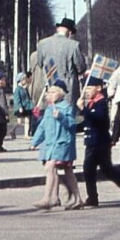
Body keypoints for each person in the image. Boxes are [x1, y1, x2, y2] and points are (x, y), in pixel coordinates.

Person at [79, 76, 120, 207]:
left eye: (90, 87)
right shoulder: (92, 103)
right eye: (86, 88)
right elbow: (87, 122)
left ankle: (94, 196)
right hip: (92, 142)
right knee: (97, 169)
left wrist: (83, 109)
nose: (86, 90)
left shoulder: (101, 103)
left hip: (100, 143)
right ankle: (94, 196)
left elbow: (97, 118)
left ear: (99, 88)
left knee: (98, 169)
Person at [31, 80, 82, 210]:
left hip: (63, 143)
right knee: (68, 172)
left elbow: (71, 124)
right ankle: (76, 199)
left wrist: (60, 117)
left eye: (53, 92)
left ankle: (48, 198)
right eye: (49, 92)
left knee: (50, 167)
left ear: (60, 94)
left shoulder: (66, 108)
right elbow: (42, 127)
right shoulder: (48, 109)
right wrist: (35, 142)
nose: (49, 95)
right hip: (50, 144)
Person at [35, 17, 87, 106]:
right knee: (67, 115)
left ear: (58, 29)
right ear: (70, 32)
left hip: (49, 86)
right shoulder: (74, 45)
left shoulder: (42, 43)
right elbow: (81, 68)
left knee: (50, 114)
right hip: (68, 89)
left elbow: (40, 63)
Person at [11, 72, 34, 140]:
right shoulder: (18, 89)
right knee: (19, 122)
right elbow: (17, 99)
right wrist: (19, 107)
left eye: (25, 79)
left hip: (27, 107)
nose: (25, 80)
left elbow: (28, 98)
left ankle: (26, 135)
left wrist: (31, 105)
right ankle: (12, 130)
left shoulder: (25, 88)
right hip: (21, 108)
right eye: (23, 79)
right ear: (20, 80)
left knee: (27, 121)